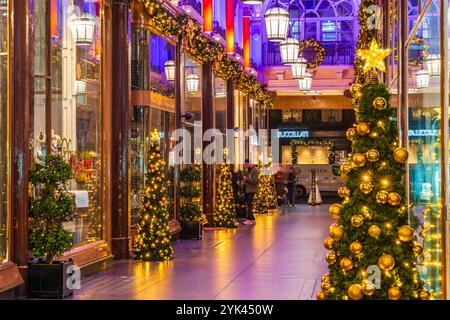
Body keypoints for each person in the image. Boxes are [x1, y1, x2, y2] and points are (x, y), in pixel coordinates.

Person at [243, 159, 259, 225]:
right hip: (248, 189)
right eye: (245, 165)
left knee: (249, 204)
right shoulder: (249, 170)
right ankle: (252, 219)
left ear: (249, 163)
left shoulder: (255, 170)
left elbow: (255, 181)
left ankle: (249, 219)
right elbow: (246, 177)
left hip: (252, 189)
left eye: (246, 164)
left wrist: (246, 179)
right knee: (248, 203)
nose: (246, 166)